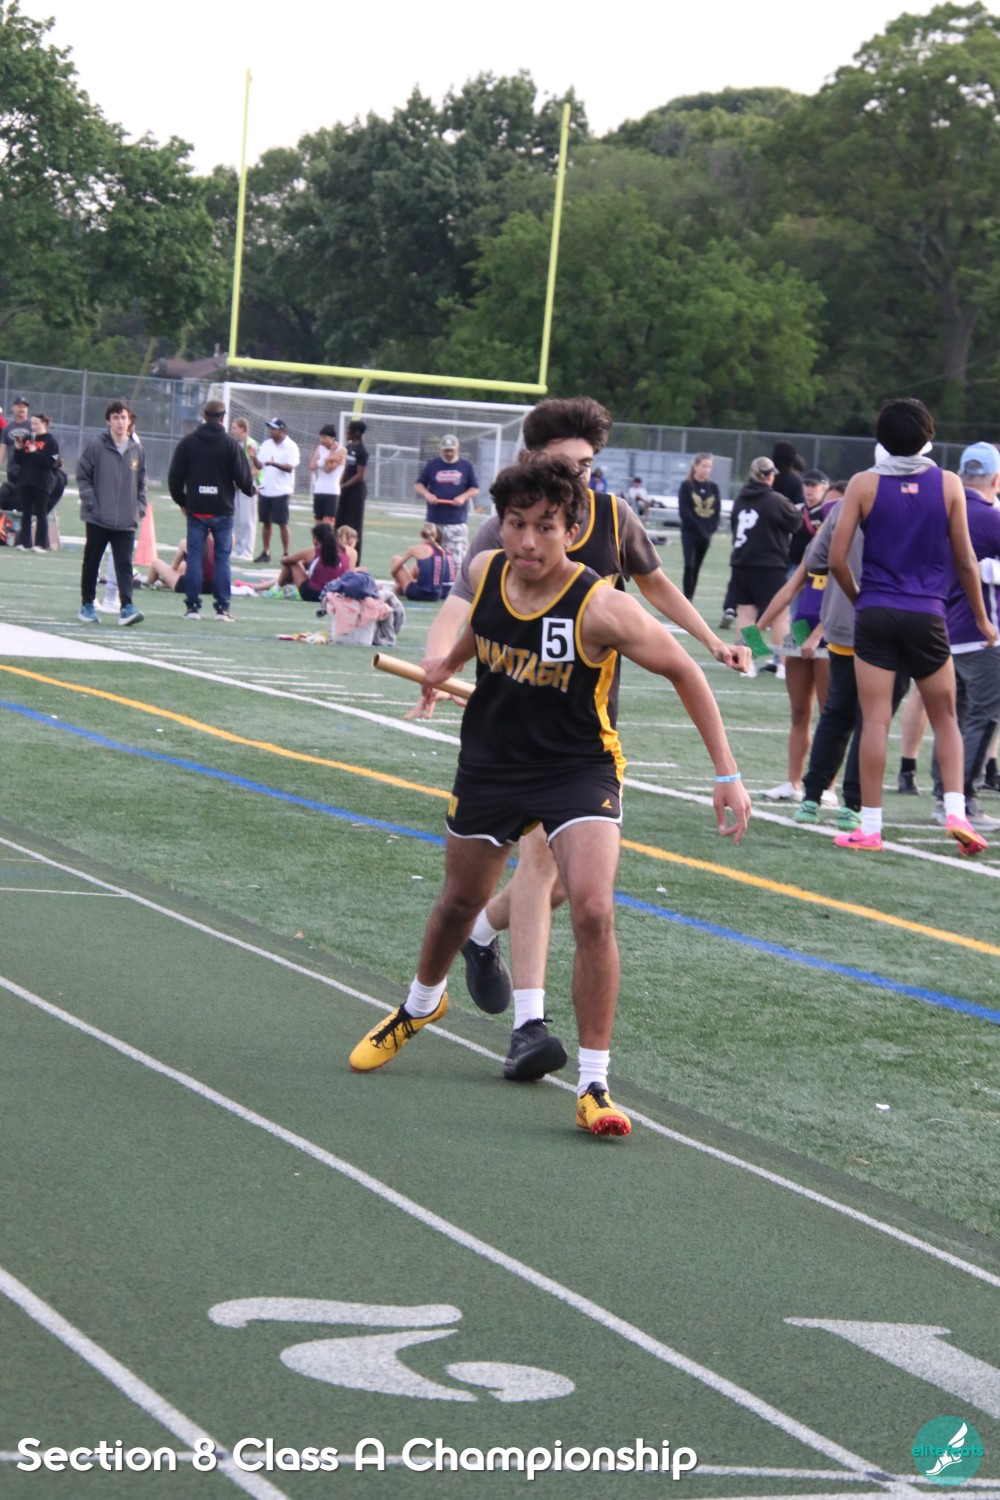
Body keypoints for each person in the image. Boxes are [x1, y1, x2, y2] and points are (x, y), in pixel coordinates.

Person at [348, 455, 751, 1138]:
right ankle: (421, 1004)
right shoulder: (486, 571)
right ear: (500, 524)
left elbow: (685, 671)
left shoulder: (603, 606)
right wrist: (447, 665)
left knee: (593, 908)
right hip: (492, 764)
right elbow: (483, 627)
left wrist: (726, 774)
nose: (528, 541)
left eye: (544, 526)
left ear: (570, 530)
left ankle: (594, 1085)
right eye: (516, 524)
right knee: (457, 904)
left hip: (577, 768)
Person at [829, 397, 998, 854]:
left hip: (876, 612)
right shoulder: (948, 483)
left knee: (875, 720)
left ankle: (870, 827)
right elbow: (966, 560)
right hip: (928, 613)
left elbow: (837, 559)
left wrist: (861, 600)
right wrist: (982, 619)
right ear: (928, 436)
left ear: (881, 439)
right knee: (946, 718)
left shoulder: (863, 483)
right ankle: (957, 813)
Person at [927, 442, 1000, 831]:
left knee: (948, 718)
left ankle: (944, 795)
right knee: (981, 717)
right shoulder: (991, 518)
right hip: (980, 633)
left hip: (937, 629)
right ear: (996, 479)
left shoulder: (939, 513)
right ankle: (963, 800)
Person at [167, 396, 254, 622]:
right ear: (223, 418)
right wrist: (250, 490)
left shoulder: (188, 443)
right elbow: (243, 477)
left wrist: (183, 501)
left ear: (204, 416)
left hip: (197, 509)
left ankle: (192, 607)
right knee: (222, 559)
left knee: (194, 558)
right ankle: (222, 608)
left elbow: (174, 477)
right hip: (222, 510)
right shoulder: (230, 444)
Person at [727, 455, 803, 676]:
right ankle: (783, 665)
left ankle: (747, 664)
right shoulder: (775, 500)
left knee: (746, 615)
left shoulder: (740, 499)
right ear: (769, 477)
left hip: (741, 563)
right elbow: (796, 522)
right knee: (780, 615)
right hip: (769, 566)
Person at [76, 399, 146, 627]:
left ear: (129, 420)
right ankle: (87, 605)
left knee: (124, 564)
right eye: (115, 417)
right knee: (92, 561)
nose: (120, 422)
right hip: (98, 517)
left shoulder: (137, 449)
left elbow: (141, 482)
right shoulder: (97, 446)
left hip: (126, 519)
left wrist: (140, 507)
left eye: (123, 417)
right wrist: (91, 502)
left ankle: (127, 607)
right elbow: (82, 474)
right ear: (108, 421)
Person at [414, 434, 479, 571]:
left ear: (458, 448)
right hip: (434, 520)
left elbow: (475, 488)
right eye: (446, 450)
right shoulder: (432, 464)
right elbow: (419, 485)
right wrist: (428, 495)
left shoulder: (466, 466)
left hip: (456, 521)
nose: (449, 453)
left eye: (451, 450)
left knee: (456, 561)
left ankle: (454, 583)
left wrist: (463, 497)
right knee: (432, 558)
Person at [258, 522, 349, 600]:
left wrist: (302, 564)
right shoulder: (346, 552)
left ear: (315, 539)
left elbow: (285, 561)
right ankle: (279, 588)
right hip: (335, 595)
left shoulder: (313, 552)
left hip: (313, 594)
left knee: (293, 562)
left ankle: (275, 590)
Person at [252, 418, 299, 562]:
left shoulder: (291, 446)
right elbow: (260, 466)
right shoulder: (266, 444)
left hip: (282, 490)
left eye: (274, 429)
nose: (271, 431)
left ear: (282, 430)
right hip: (266, 489)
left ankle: (286, 553)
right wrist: (254, 458)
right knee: (266, 522)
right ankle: (266, 552)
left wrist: (274, 464)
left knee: (282, 523)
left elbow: (290, 467)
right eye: (270, 428)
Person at [677, 452, 721, 601]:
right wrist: (700, 530)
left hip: (706, 536)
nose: (706, 469)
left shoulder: (713, 488)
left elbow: (716, 513)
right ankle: (686, 599)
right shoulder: (686, 486)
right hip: (690, 534)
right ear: (695, 466)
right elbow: (685, 513)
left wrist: (710, 530)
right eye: (703, 466)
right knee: (689, 566)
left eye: (709, 466)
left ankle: (690, 598)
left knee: (696, 568)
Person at [15, 413, 59, 551]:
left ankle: (41, 544)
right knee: (26, 512)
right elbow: (19, 460)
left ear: (44, 423)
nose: (33, 427)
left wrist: (35, 452)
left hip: (42, 482)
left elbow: (49, 463)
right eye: (32, 424)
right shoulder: (27, 438)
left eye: (36, 424)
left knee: (41, 512)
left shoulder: (51, 441)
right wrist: (18, 449)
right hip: (25, 480)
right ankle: (23, 542)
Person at [390, 522, 456, 601]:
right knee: (424, 565)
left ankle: (395, 590)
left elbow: (394, 571)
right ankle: (398, 588)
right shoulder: (445, 551)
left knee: (396, 559)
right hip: (438, 594)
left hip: (419, 594)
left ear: (421, 534)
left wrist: (398, 580)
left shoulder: (416, 549)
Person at [336, 420, 369, 563]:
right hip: (345, 490)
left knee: (354, 525)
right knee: (339, 522)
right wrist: (339, 483)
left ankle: (355, 559)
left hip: (356, 492)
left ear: (357, 432)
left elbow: (359, 475)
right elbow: (346, 468)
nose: (346, 432)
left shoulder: (362, 451)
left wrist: (343, 486)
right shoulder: (348, 447)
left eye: (349, 430)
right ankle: (337, 555)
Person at [146, 533, 215, 597]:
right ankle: (163, 582)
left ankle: (147, 584)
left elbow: (174, 567)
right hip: (211, 587)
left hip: (190, 585)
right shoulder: (217, 542)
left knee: (155, 563)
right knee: (183, 566)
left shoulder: (186, 542)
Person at [231, 417, 259, 559]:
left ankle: (247, 551)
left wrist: (242, 480)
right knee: (237, 518)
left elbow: (256, 469)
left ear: (243, 429)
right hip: (237, 486)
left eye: (235, 427)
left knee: (247, 519)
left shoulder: (251, 444)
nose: (233, 430)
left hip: (248, 485)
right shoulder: (235, 444)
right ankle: (238, 549)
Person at [310, 424, 347, 522]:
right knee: (318, 525)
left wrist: (329, 454)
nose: (321, 440)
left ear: (332, 438)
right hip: (318, 490)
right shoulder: (319, 448)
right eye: (321, 437)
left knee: (327, 526)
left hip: (332, 492)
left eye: (324, 437)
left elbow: (328, 469)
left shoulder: (342, 450)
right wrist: (329, 458)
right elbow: (312, 466)